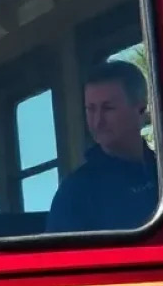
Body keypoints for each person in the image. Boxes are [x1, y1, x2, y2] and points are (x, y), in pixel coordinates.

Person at [47, 60, 157, 234]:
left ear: (141, 109)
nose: (97, 121)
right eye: (90, 109)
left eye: (108, 108)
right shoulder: (75, 192)